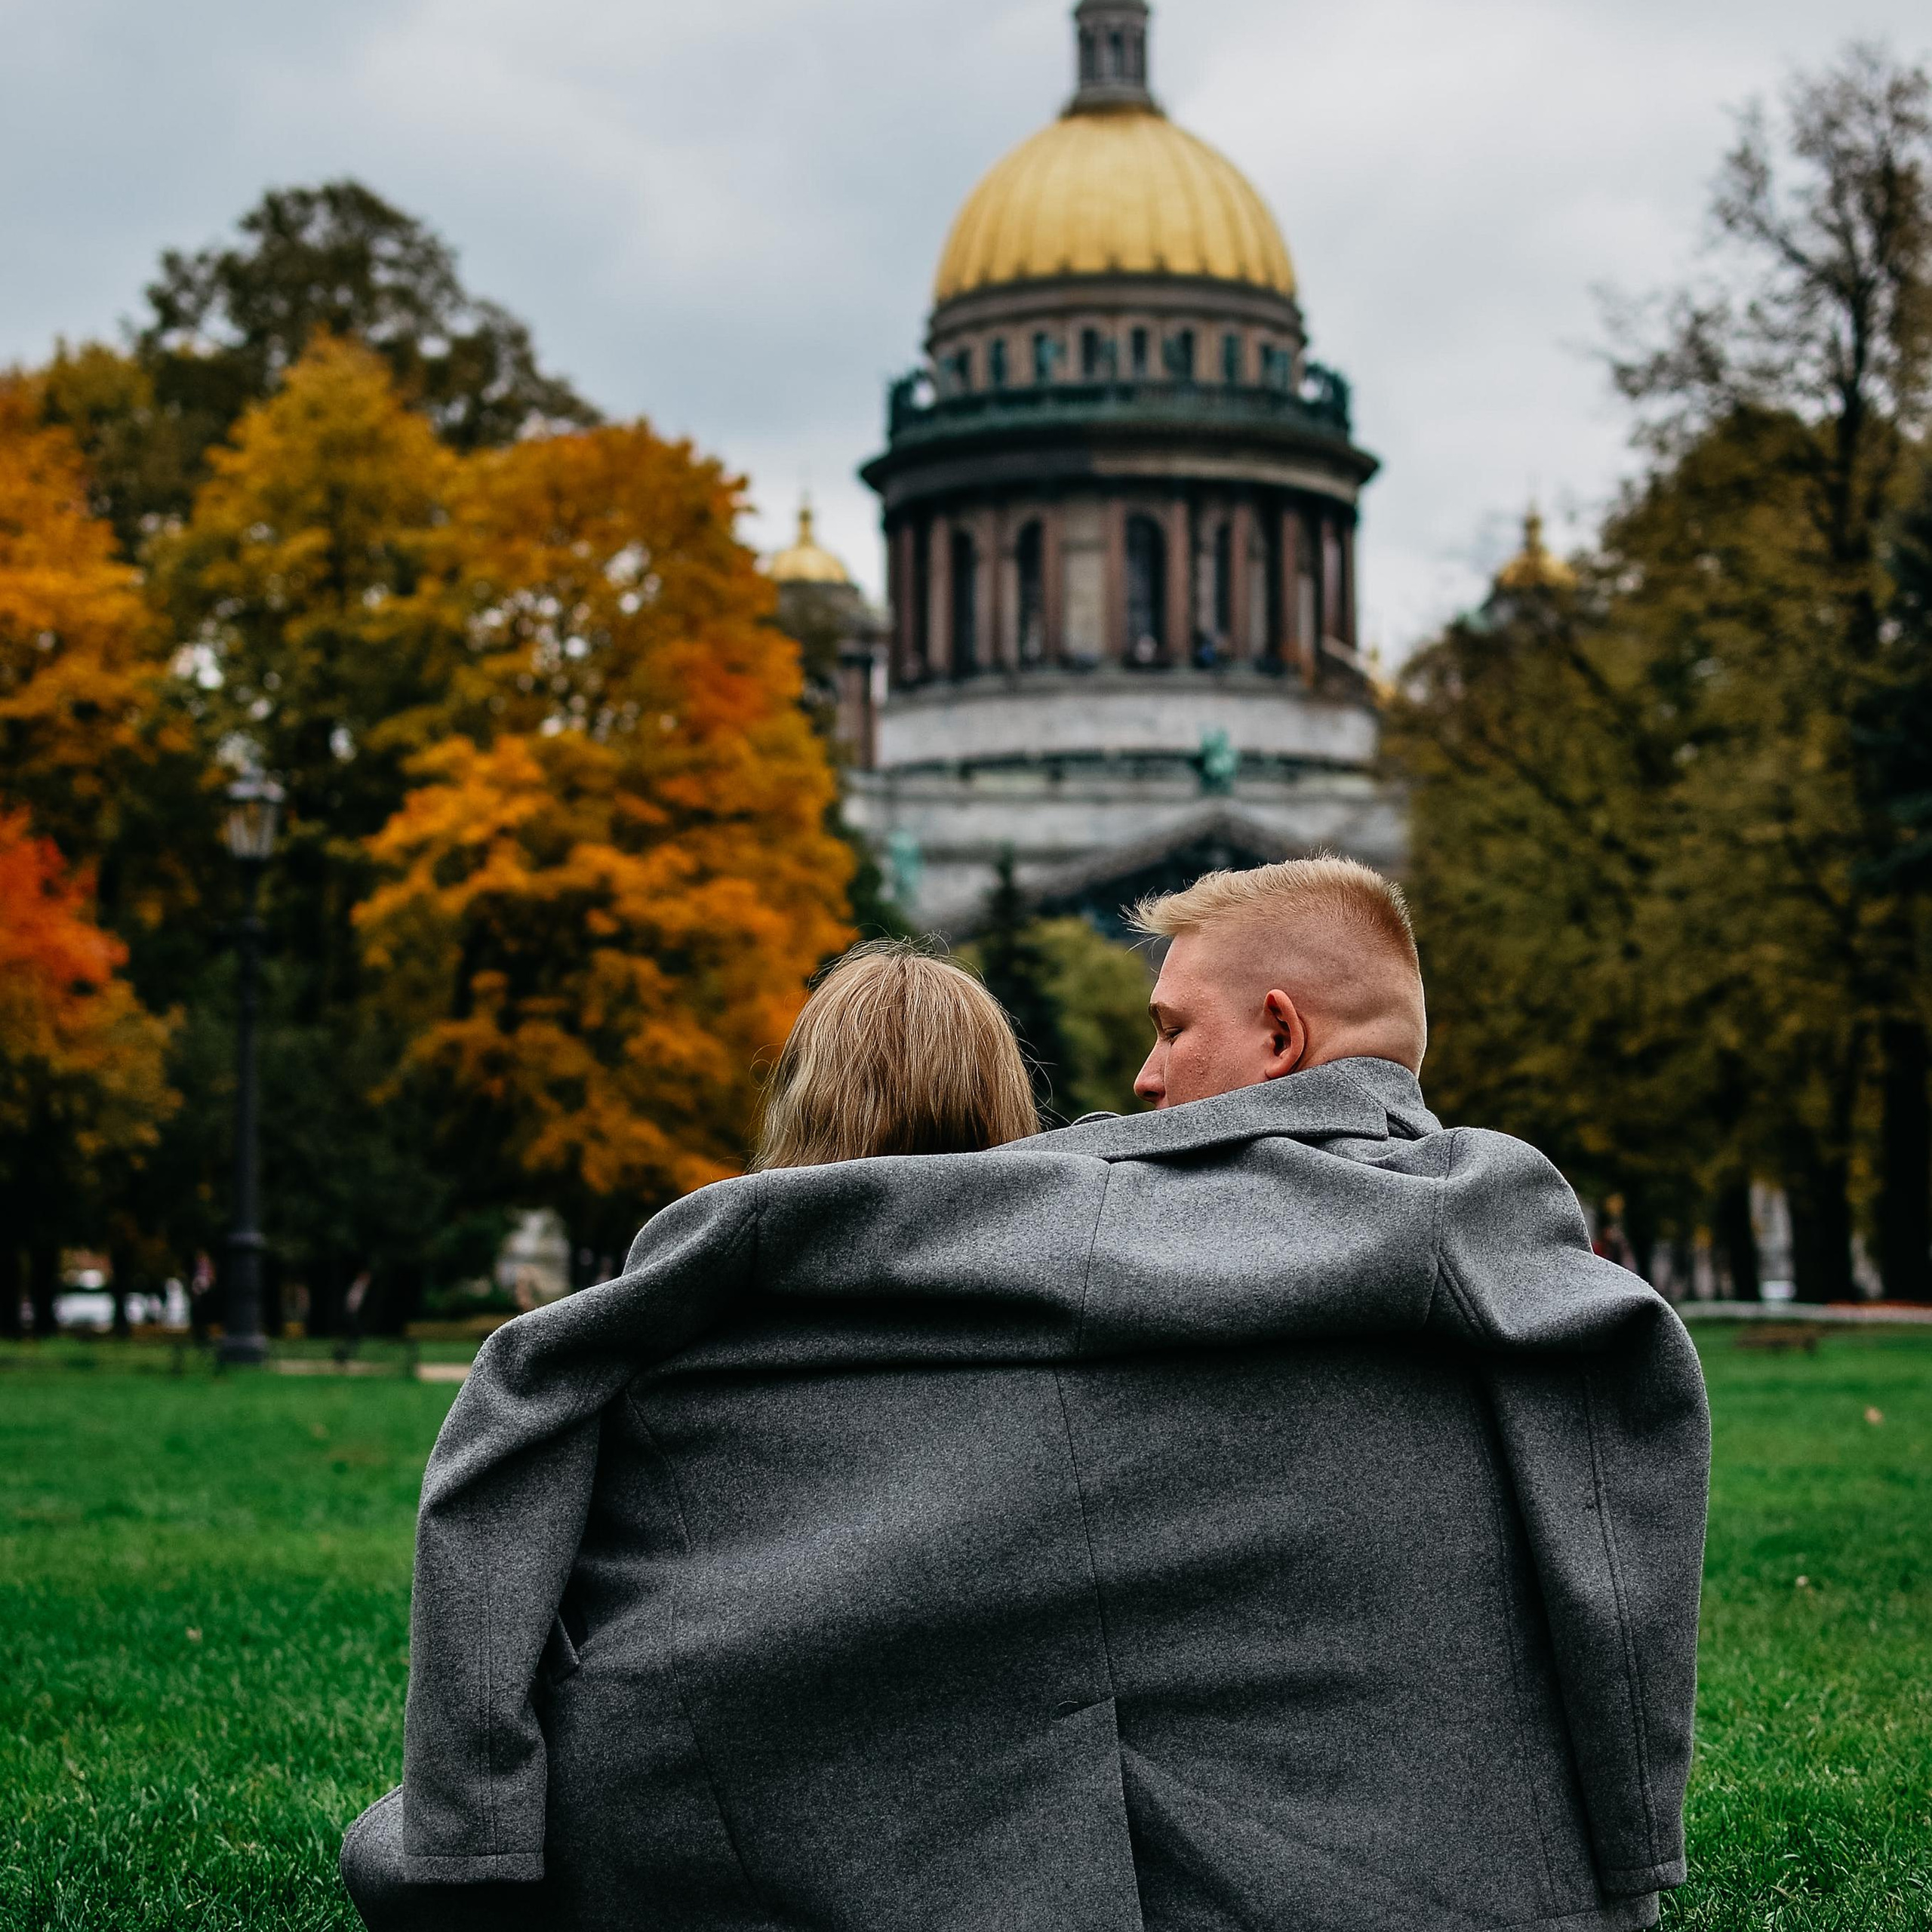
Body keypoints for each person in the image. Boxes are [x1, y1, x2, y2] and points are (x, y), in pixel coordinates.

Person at [343, 866, 1709, 1932]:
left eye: (1170, 1029)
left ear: (1281, 1034)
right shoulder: (1499, 1270)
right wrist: (1625, 1841)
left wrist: (463, 1841)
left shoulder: (943, 1240)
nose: (1142, 1080)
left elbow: (522, 1394)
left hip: (735, 1837)